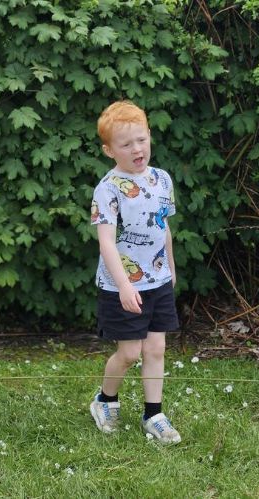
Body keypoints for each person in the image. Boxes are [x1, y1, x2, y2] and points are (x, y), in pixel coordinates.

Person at [89, 100, 181, 443]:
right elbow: (107, 243)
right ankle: (105, 400)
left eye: (141, 140)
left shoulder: (161, 180)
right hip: (121, 286)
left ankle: (153, 413)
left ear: (149, 137)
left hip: (157, 282)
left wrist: (170, 268)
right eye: (126, 144)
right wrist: (126, 286)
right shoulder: (108, 189)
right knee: (128, 353)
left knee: (155, 349)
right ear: (109, 150)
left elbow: (163, 228)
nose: (136, 149)